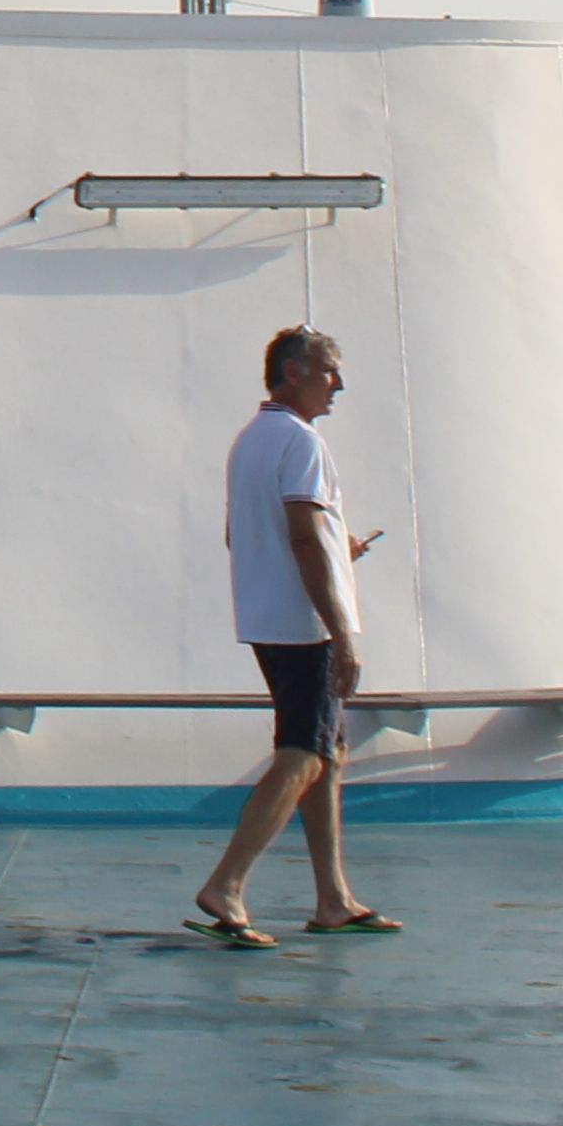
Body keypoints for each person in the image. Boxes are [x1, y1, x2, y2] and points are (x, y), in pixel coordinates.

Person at [189, 323, 395, 946]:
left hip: (269, 617)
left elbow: (246, 535)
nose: (339, 383)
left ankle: (332, 898)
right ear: (296, 371)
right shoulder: (302, 442)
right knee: (303, 755)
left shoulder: (250, 440)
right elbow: (302, 535)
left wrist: (340, 548)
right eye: (330, 369)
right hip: (304, 626)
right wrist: (342, 631)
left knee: (328, 755)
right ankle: (226, 885)